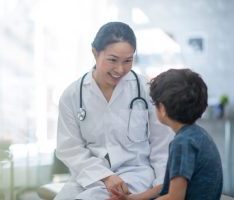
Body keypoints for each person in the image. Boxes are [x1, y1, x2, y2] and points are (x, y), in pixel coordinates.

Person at [54, 21, 173, 200]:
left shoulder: (147, 90)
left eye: (128, 61)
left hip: (136, 176)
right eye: (112, 60)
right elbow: (70, 148)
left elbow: (162, 146)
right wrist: (105, 176)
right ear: (95, 53)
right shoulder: (72, 95)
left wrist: (161, 188)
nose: (120, 69)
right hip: (90, 177)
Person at [109, 68, 223, 200]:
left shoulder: (182, 143)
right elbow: (168, 187)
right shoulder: (198, 134)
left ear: (162, 109)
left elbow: (175, 197)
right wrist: (132, 198)